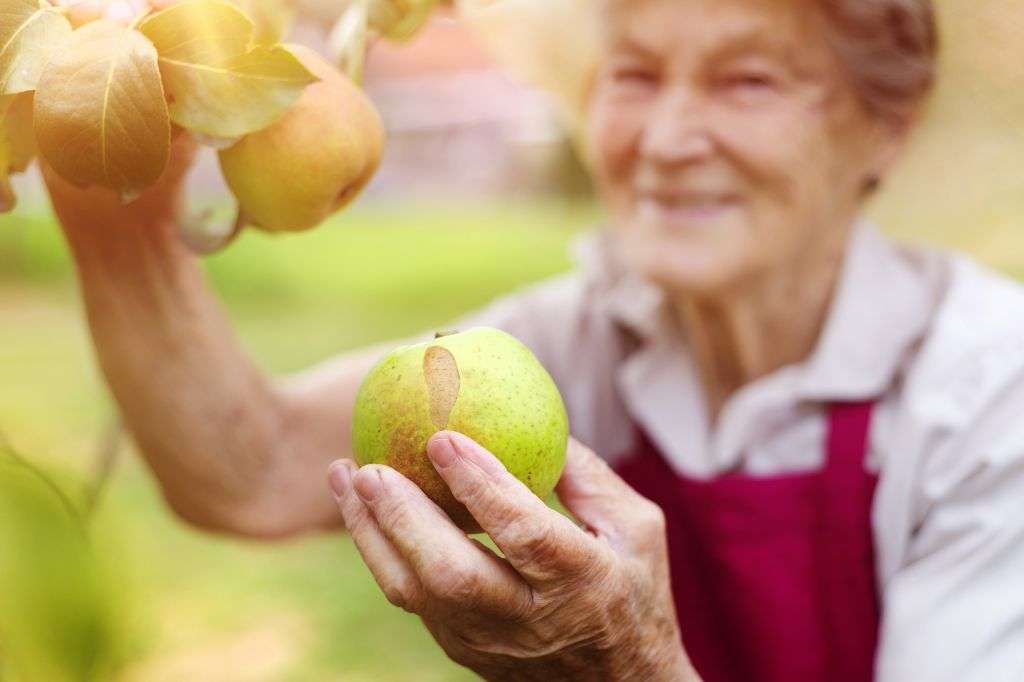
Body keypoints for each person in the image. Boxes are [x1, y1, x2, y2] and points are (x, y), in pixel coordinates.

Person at [43, 0, 1024, 680]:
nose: (669, 136)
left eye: (749, 81)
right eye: (635, 74)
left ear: (885, 125)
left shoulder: (989, 386)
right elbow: (245, 470)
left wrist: (627, 670)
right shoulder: (591, 330)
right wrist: (115, 223)